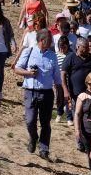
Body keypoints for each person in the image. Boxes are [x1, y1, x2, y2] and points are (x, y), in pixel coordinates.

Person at [13, 28, 62, 159]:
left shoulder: (52, 56)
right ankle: (33, 137)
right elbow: (17, 69)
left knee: (45, 122)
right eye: (49, 40)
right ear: (41, 41)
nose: (51, 42)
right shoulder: (29, 51)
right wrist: (29, 73)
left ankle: (44, 148)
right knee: (30, 120)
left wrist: (60, 91)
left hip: (46, 93)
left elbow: (57, 76)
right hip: (30, 91)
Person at [61, 37, 91, 120]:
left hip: (89, 92)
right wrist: (65, 90)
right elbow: (63, 74)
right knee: (77, 114)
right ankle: (77, 131)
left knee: (87, 114)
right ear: (78, 47)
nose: (87, 49)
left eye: (87, 47)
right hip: (76, 93)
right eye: (84, 47)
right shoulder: (70, 57)